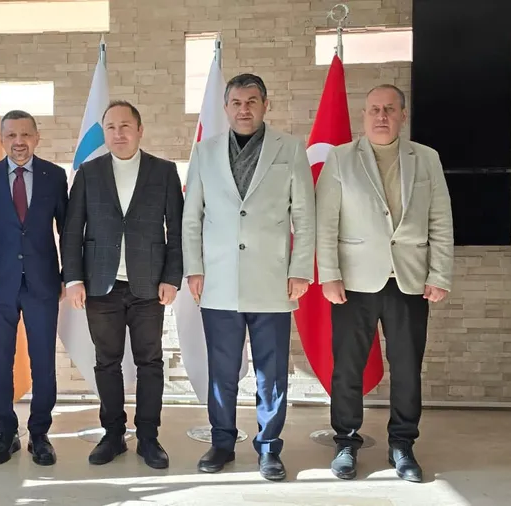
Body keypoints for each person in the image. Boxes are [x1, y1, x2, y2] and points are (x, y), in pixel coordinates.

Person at [316, 83, 453, 483]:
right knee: (348, 368)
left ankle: (402, 445)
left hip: (409, 280)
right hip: (354, 282)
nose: (381, 116)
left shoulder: (426, 159)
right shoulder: (340, 158)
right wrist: (329, 275)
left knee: (407, 368)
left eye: (389, 109)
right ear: (363, 115)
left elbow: (441, 220)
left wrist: (439, 274)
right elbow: (326, 222)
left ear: (402, 115)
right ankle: (346, 441)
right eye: (374, 109)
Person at [181, 73, 315, 480]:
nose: (244, 110)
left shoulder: (289, 148)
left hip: (272, 278)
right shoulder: (204, 151)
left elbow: (304, 215)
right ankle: (222, 442)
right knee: (221, 370)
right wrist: (194, 267)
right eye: (237, 103)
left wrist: (300, 269)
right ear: (226, 108)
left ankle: (269, 448)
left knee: (271, 372)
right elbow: (192, 217)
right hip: (218, 278)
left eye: (252, 101)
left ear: (265, 105)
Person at [62, 100, 184, 470]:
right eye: (111, 127)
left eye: (125, 126)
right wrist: (73, 278)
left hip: (149, 285)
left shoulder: (163, 171)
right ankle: (113, 434)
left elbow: (177, 230)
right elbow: (72, 230)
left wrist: (172, 277)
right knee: (107, 362)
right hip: (101, 285)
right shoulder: (89, 172)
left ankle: (148, 437)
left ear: (140, 130)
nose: (118, 133)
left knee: (150, 362)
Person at [0, 110, 68, 466]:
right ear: (1, 140)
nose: (19, 142)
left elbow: (68, 231)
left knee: (44, 362)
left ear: (37, 138)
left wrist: (68, 276)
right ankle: (5, 434)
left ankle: (39, 435)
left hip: (43, 284)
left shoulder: (55, 176)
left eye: (25, 134)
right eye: (11, 135)